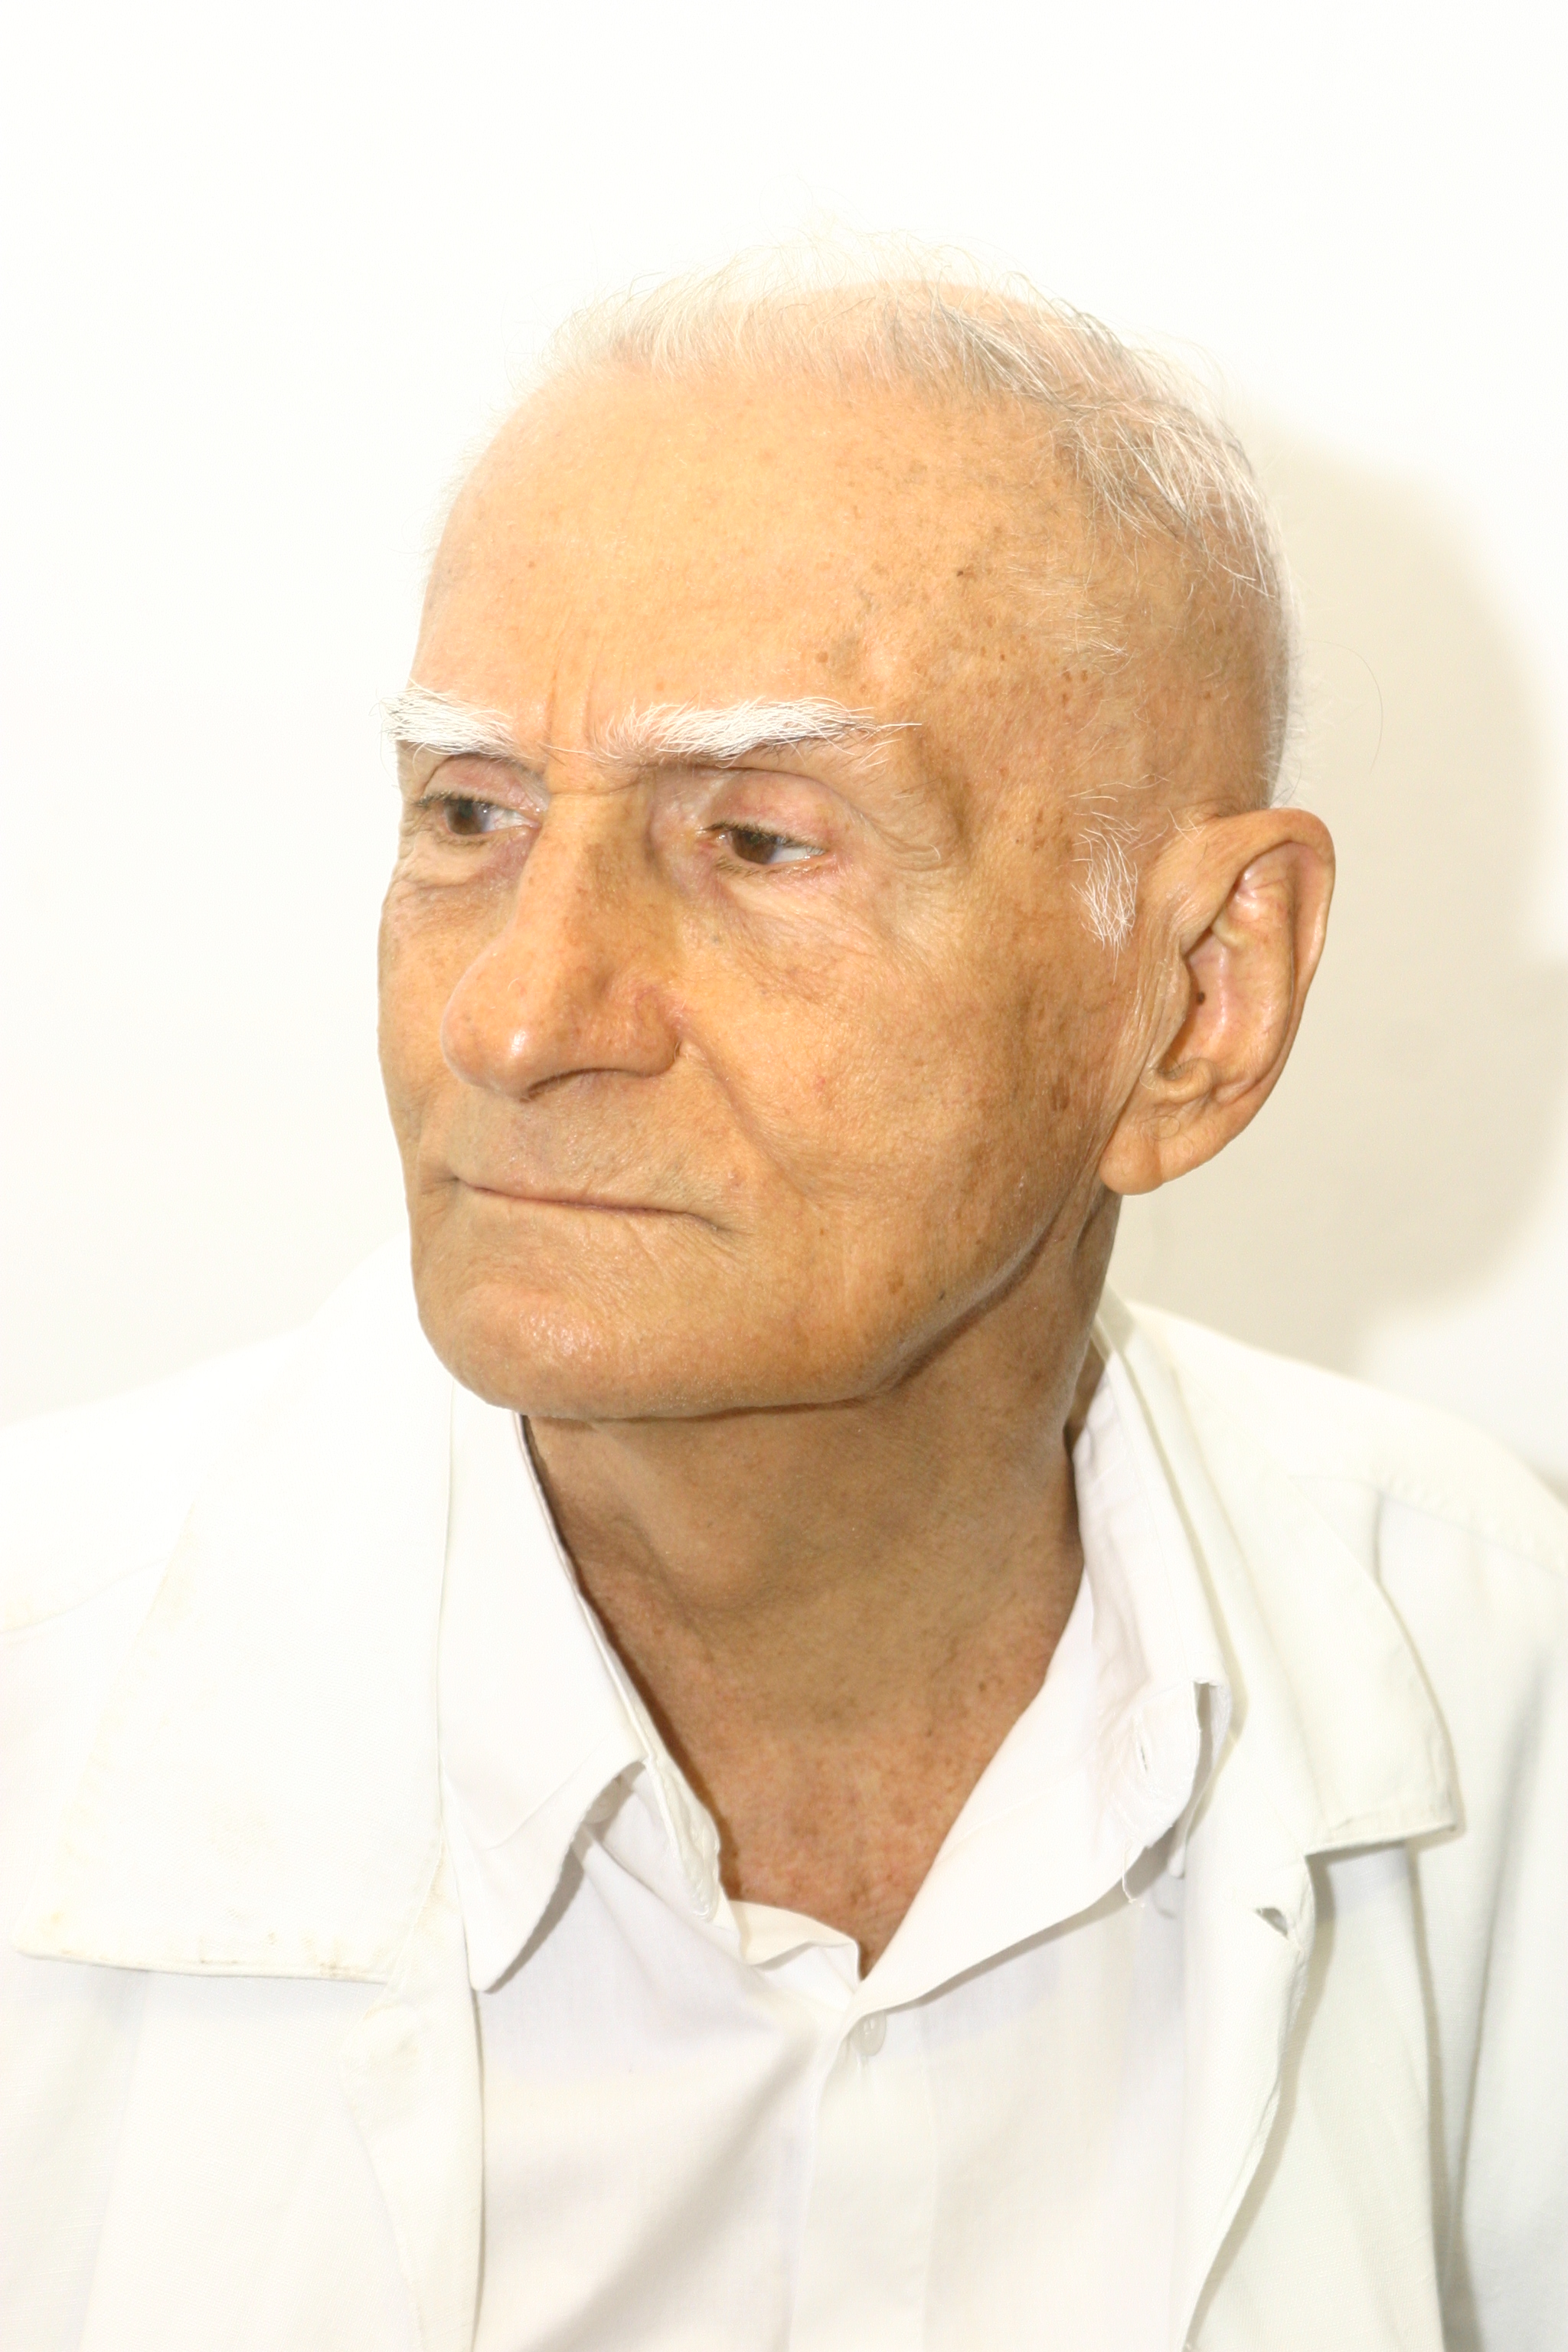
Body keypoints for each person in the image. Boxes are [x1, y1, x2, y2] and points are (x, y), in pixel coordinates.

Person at [2, 252, 1563, 2352]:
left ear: (1203, 996)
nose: (517, 1018)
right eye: (468, 815)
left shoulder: (1506, 1686)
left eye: (755, 841)